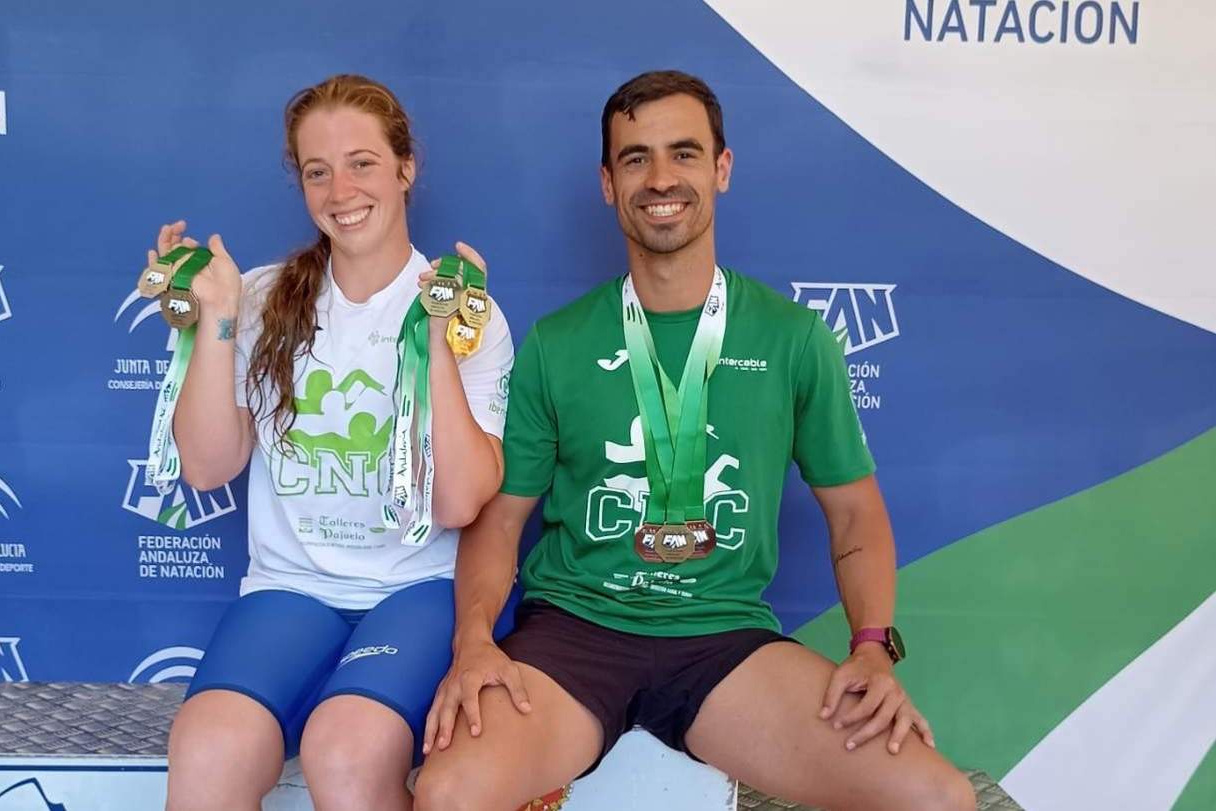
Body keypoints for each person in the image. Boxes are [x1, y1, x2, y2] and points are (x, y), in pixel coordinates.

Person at [412, 71, 976, 811]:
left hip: (724, 642)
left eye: (683, 152)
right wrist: (475, 641)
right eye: (635, 158)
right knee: (449, 791)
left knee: (935, 797)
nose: (660, 177)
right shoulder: (557, 343)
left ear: (721, 168)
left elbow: (854, 513)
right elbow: (501, 519)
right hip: (574, 635)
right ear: (608, 183)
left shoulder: (793, 338)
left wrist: (871, 643)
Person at [154, 74, 515, 811]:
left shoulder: (465, 309)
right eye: (316, 171)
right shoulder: (260, 295)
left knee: (345, 748)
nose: (339, 188)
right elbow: (205, 464)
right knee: (205, 748)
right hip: (292, 588)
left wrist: (436, 344)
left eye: (362, 162)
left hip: (420, 589)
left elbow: (459, 502)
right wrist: (215, 319)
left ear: (405, 168)